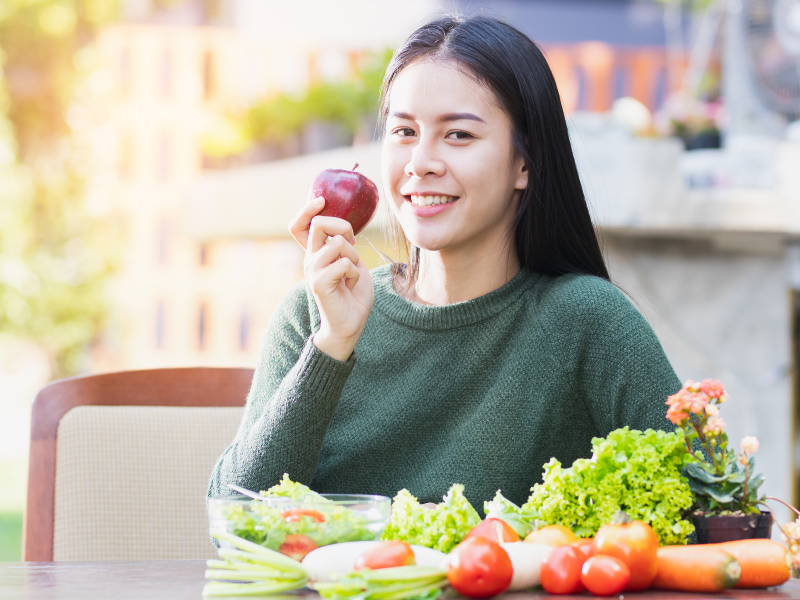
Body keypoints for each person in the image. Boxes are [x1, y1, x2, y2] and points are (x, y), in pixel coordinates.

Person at [207, 15, 680, 508]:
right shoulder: (311, 317)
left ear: (524, 162)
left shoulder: (588, 320)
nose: (421, 162)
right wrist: (332, 345)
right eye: (404, 132)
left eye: (458, 135)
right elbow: (234, 516)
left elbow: (712, 510)